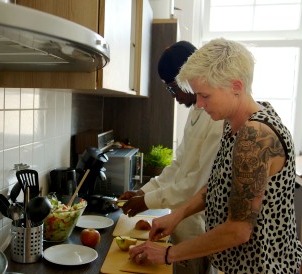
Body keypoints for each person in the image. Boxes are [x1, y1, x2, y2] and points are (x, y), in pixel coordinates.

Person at [128, 38, 302, 273]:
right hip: (235, 264)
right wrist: (178, 215)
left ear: (236, 87)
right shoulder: (234, 125)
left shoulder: (256, 135)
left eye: (205, 96)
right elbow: (217, 183)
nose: (198, 104)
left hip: (261, 267)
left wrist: (167, 254)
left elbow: (238, 230)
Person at [119, 41, 224, 274]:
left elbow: (197, 185)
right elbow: (179, 166)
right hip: (180, 227)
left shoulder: (216, 118)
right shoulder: (197, 111)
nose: (173, 96)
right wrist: (143, 191)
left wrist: (147, 201)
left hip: (199, 231)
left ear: (189, 77)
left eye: (172, 87)